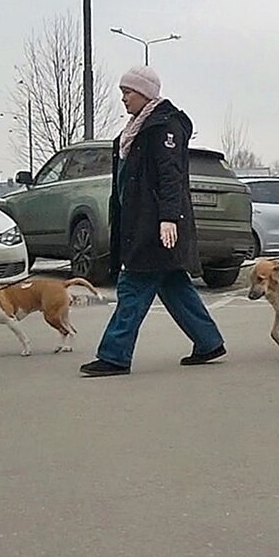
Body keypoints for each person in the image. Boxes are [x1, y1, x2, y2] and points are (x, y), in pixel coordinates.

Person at [79, 66, 227, 377]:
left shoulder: (164, 128)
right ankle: (209, 342)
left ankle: (114, 356)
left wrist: (168, 218)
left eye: (128, 93)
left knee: (133, 288)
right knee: (174, 286)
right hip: (140, 223)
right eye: (122, 93)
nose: (123, 99)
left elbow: (170, 176)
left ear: (145, 93)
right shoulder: (135, 130)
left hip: (155, 227)